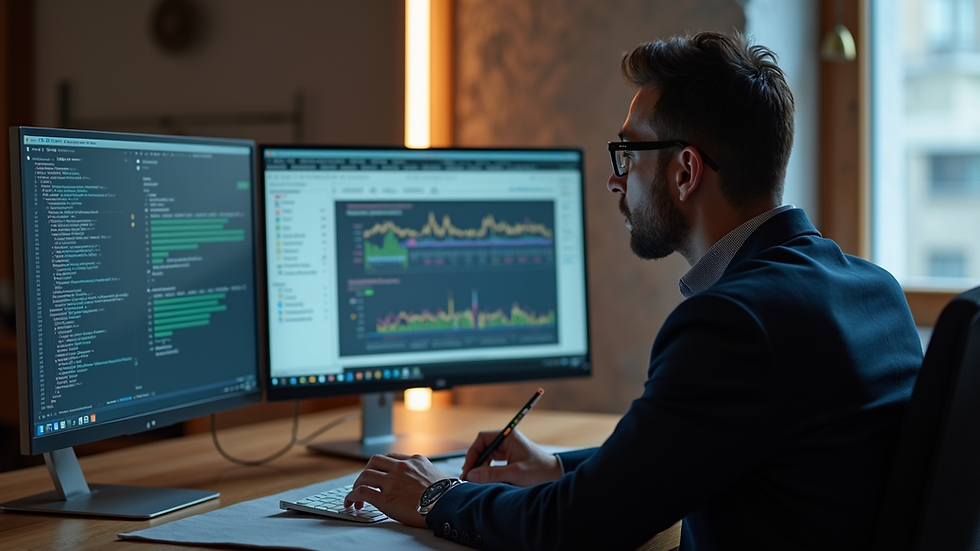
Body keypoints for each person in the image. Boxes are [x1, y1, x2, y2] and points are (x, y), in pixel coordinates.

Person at [344, 31, 923, 550]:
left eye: (627, 151)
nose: (614, 179)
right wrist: (558, 468)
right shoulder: (873, 291)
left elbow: (575, 528)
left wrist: (435, 495)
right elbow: (706, 451)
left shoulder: (734, 324)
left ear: (685, 172)